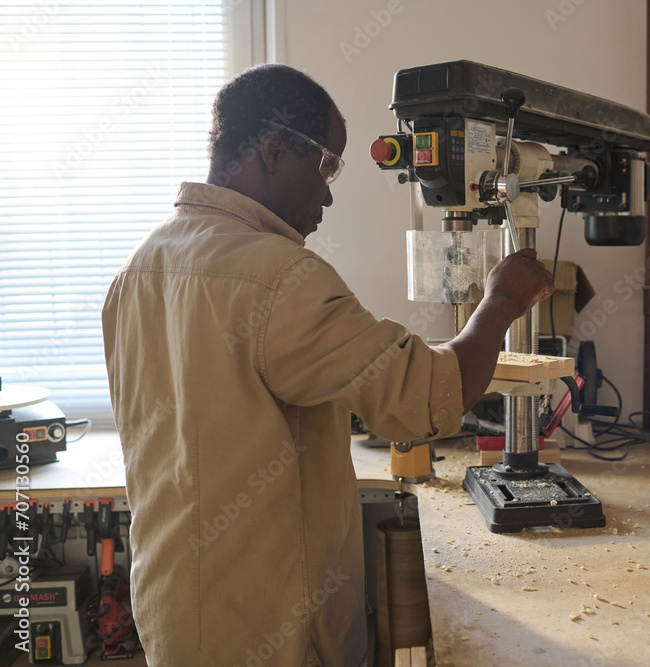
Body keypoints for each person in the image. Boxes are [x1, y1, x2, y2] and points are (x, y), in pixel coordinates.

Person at [102, 64, 554, 666]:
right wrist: (500, 300)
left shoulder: (139, 265)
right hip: (269, 630)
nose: (330, 193)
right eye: (327, 166)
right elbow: (428, 402)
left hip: (173, 609)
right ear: (273, 148)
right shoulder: (279, 275)